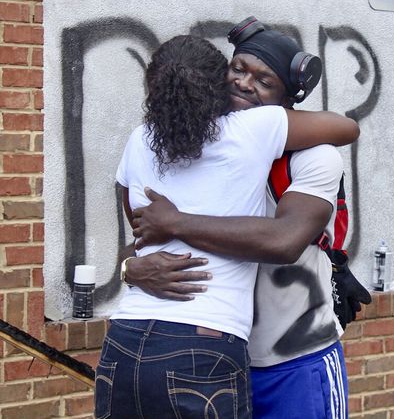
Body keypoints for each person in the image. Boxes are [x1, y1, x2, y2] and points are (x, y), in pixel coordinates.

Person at [95, 34, 359, 419]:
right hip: (217, 352)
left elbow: (285, 241)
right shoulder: (178, 139)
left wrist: (177, 223)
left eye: (265, 81)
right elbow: (141, 235)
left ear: (289, 101)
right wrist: (129, 269)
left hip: (291, 359)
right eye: (237, 70)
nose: (244, 83)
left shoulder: (312, 156)